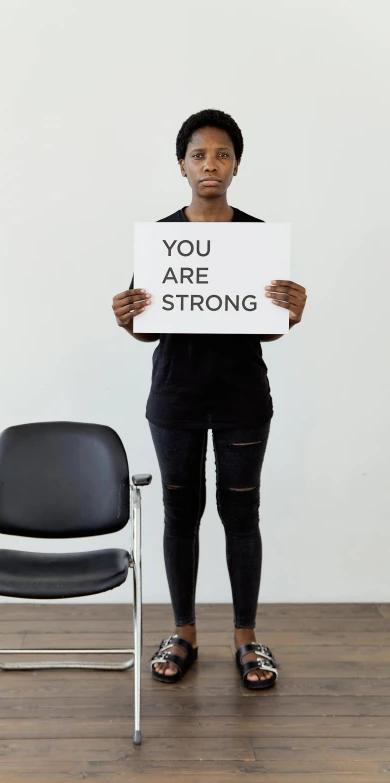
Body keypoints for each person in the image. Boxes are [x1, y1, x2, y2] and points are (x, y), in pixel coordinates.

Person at [112, 109, 307, 689]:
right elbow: (149, 326)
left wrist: (292, 311)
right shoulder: (163, 240)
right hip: (175, 396)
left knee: (240, 513)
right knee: (181, 514)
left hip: (243, 397)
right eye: (199, 155)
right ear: (182, 165)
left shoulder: (258, 236)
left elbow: (268, 327)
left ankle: (247, 637)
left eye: (222, 154)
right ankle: (185, 631)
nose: (211, 164)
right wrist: (126, 318)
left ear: (237, 165)